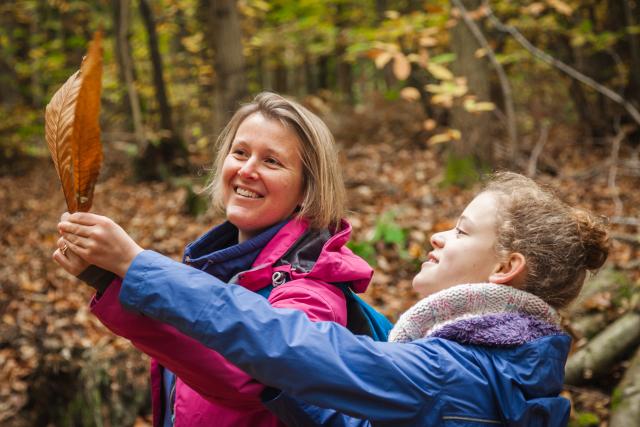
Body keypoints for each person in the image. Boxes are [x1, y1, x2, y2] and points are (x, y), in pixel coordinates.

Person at [59, 171, 609, 426]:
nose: (439, 235)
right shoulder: (500, 365)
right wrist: (117, 285)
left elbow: (289, 343)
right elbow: (340, 415)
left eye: (463, 232)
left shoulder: (450, 372)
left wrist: (139, 267)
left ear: (506, 268)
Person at [53, 92, 382, 427]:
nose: (247, 169)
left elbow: (254, 373)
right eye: (239, 153)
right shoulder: (216, 269)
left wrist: (134, 264)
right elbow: (188, 345)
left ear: (306, 190)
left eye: (272, 161)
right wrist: (108, 279)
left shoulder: (312, 291)